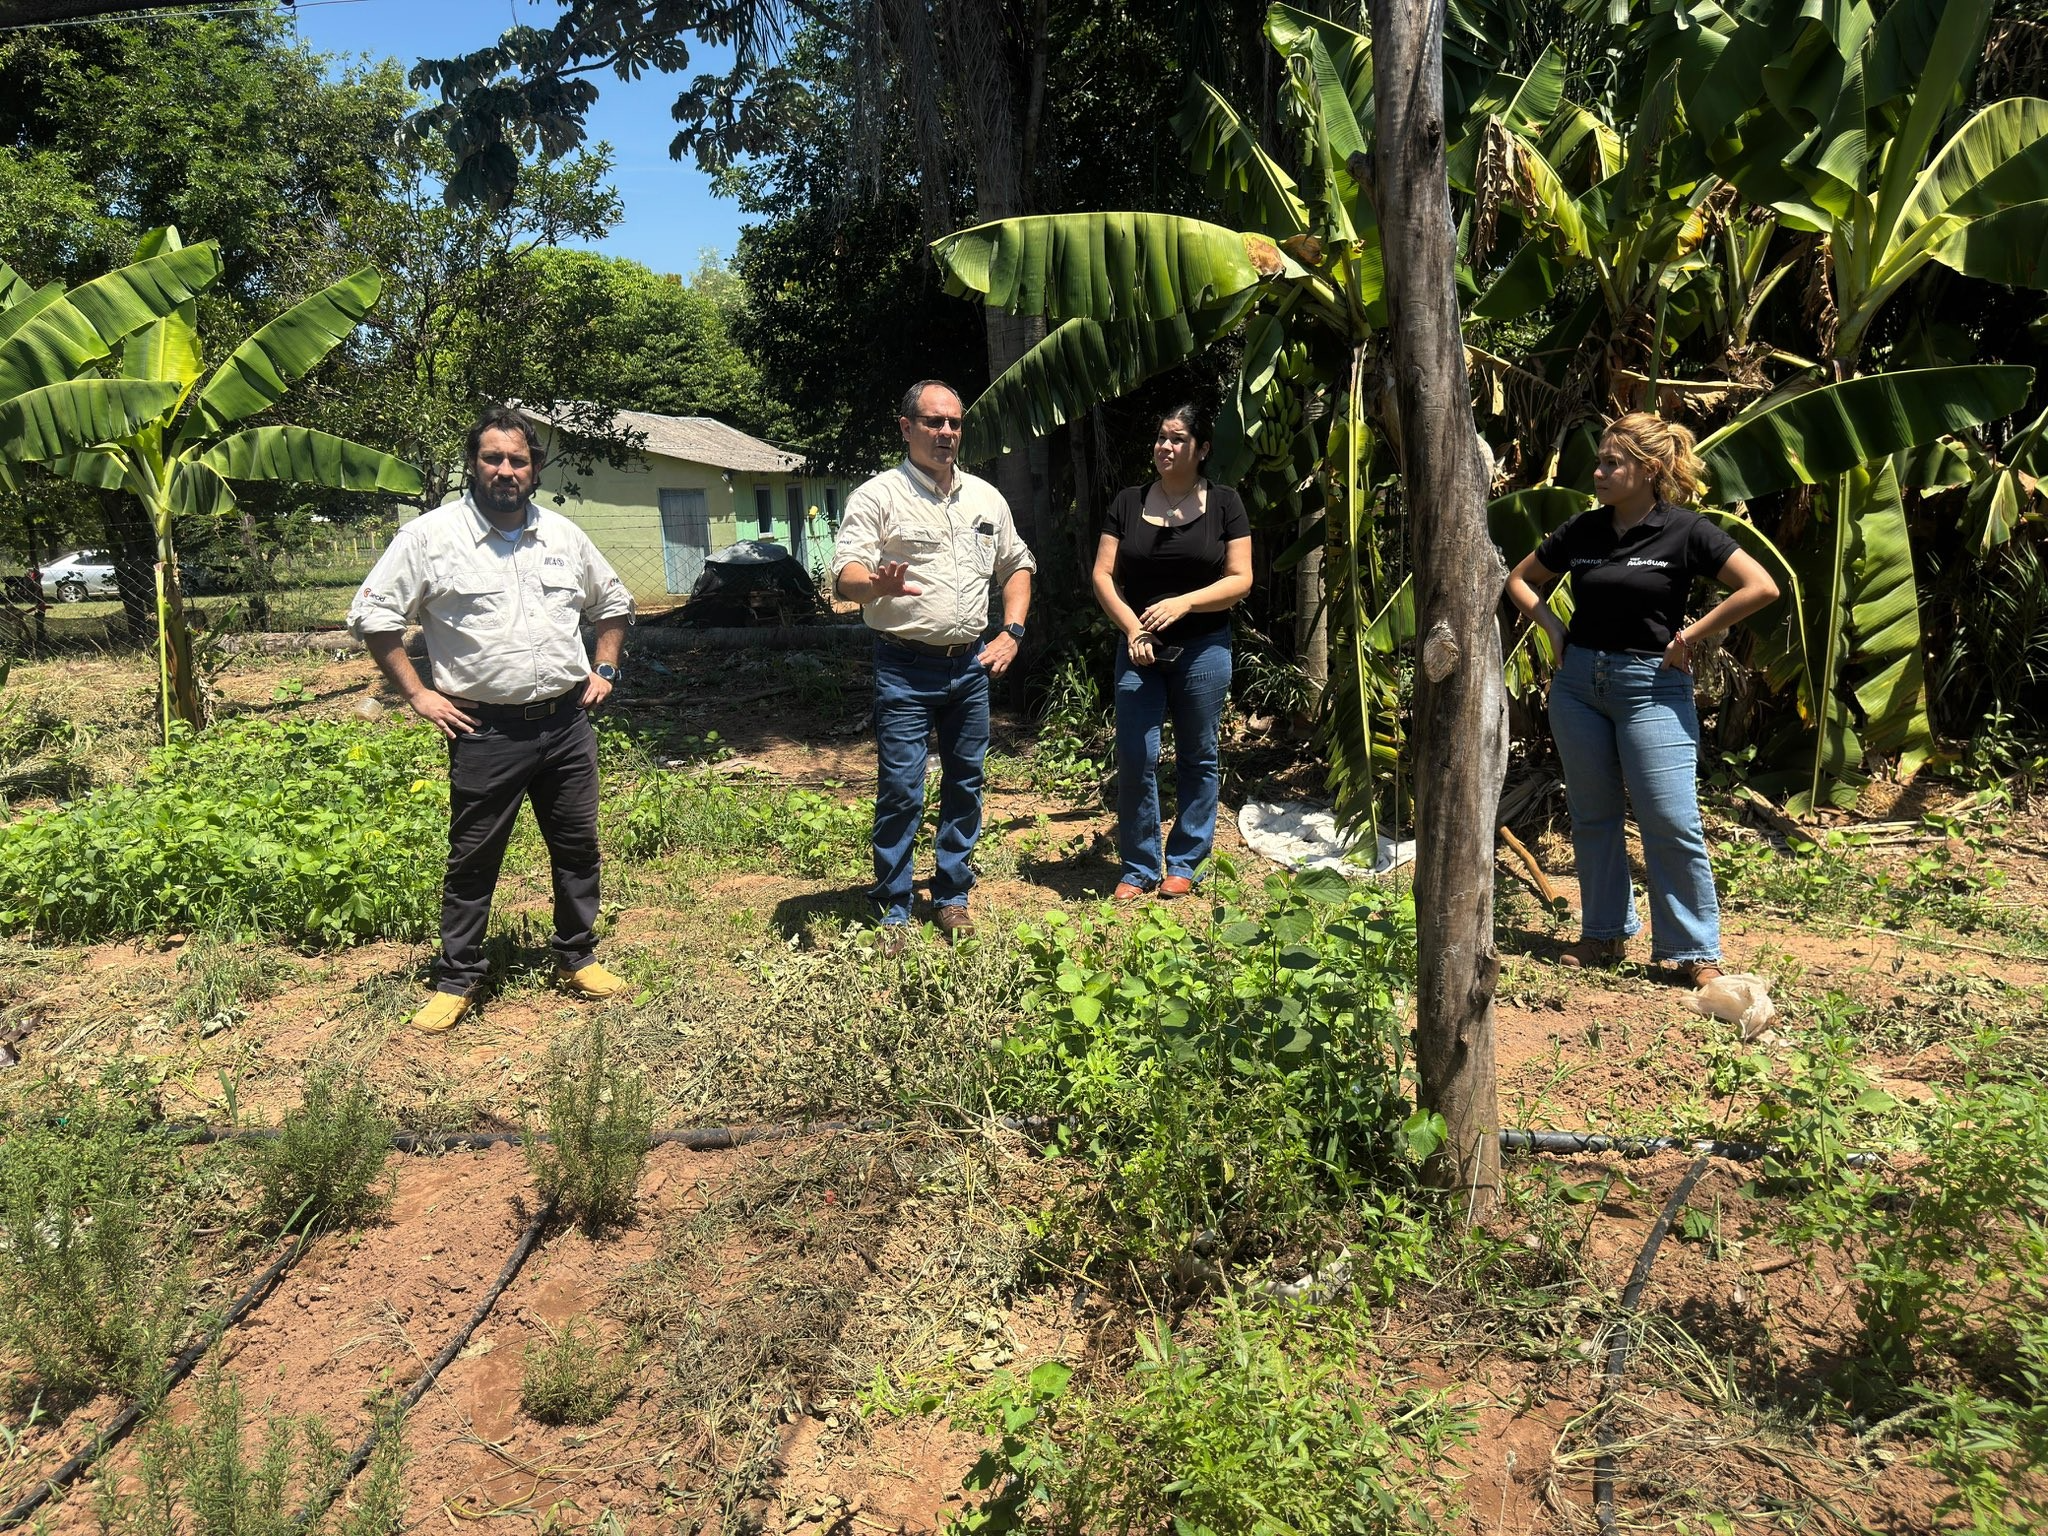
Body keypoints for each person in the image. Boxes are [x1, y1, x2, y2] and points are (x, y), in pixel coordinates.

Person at [350, 405, 636, 1032]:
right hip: (485, 732)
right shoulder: (429, 537)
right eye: (493, 458)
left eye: (519, 460)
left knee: (577, 846)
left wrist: (605, 669)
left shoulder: (563, 536)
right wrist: (419, 694)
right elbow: (372, 616)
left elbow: (614, 604)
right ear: (473, 465)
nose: (506, 470)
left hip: (565, 725)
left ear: (535, 470)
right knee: (474, 857)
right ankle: (457, 978)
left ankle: (576, 956)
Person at [1503, 412, 1780, 987]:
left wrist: (1691, 635)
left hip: (1651, 686)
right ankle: (1603, 933)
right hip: (1578, 686)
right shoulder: (1584, 529)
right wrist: (1553, 629)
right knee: (1594, 814)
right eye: (1599, 462)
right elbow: (1520, 579)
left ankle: (1694, 950)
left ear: (1650, 470)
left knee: (1669, 817)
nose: (1599, 472)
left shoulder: (1686, 531)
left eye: (1613, 464)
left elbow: (1762, 587)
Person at [831, 380, 1035, 945]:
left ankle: (952, 895)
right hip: (904, 666)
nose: (946, 433)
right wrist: (874, 583)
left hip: (970, 668)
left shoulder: (986, 498)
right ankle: (893, 906)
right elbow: (845, 576)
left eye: (954, 423)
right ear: (906, 427)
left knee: (966, 782)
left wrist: (1012, 632)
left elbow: (1016, 565)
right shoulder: (878, 496)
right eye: (933, 422)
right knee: (902, 787)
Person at [1091, 402, 1253, 900]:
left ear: (1202, 449)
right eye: (1161, 437)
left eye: (1178, 438)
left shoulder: (1226, 503)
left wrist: (1184, 603)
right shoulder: (1127, 501)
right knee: (1136, 754)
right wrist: (1132, 630)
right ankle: (1138, 866)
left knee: (1197, 755)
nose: (1165, 446)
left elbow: (1242, 579)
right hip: (1138, 648)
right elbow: (1102, 575)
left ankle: (1185, 861)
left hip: (1204, 648)